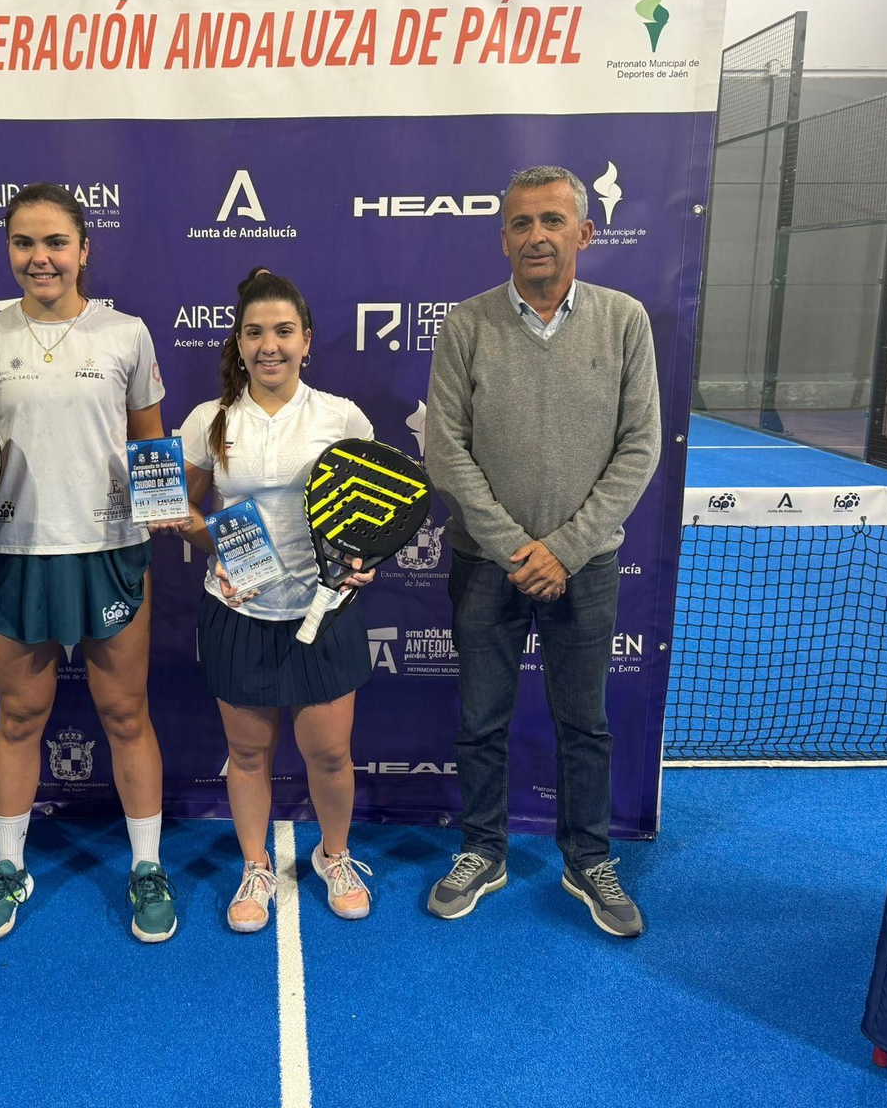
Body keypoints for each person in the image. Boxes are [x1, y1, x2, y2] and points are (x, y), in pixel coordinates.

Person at [423, 164, 660, 937]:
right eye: (521, 224)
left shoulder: (625, 321)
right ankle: (482, 850)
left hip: (585, 569)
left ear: (585, 234)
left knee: (584, 724)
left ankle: (588, 859)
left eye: (552, 221)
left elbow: (641, 448)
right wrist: (514, 547)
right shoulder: (466, 324)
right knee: (481, 720)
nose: (537, 237)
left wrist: (563, 548)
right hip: (484, 566)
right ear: (503, 239)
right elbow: (445, 450)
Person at [0, 182, 177, 943]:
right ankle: (9, 868)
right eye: (23, 243)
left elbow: (149, 441)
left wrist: (168, 512)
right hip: (15, 554)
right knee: (19, 717)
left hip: (111, 550)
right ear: (7, 250)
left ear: (84, 249)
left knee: (125, 712)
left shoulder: (126, 335)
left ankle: (146, 868)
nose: (39, 258)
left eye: (54, 243)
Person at [174, 267, 377, 933]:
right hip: (238, 612)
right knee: (250, 754)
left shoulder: (340, 416)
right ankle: (256, 866)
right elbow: (185, 510)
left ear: (307, 341)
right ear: (237, 343)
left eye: (283, 331)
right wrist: (213, 546)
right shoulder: (210, 420)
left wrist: (362, 561)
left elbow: (369, 519)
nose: (269, 345)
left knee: (328, 755)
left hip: (324, 612)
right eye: (255, 332)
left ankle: (334, 855)